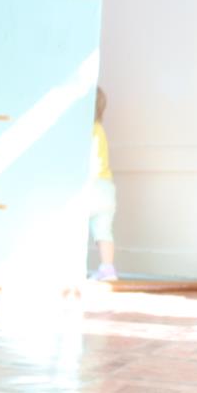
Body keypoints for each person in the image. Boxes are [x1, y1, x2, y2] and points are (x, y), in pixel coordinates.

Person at [89, 86, 118, 282]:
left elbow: (91, 161)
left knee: (76, 224)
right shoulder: (100, 129)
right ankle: (108, 269)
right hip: (107, 187)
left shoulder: (87, 130)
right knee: (103, 231)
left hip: (92, 184)